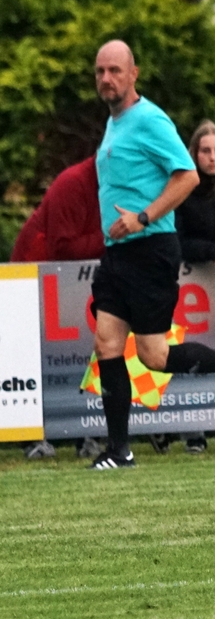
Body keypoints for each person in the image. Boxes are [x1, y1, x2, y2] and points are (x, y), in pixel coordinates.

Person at [87, 40, 215, 470]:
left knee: (153, 356)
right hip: (117, 252)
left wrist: (143, 217)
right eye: (100, 71)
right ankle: (119, 451)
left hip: (149, 249)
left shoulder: (150, 119)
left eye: (115, 70)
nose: (106, 79)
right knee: (107, 342)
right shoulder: (114, 123)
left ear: (133, 74)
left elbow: (187, 176)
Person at [148, 121, 215, 455]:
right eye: (206, 151)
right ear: (194, 153)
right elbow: (177, 238)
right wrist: (213, 252)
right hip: (186, 282)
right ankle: (178, 429)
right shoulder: (181, 185)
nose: (212, 157)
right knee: (179, 356)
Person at [11, 156, 104, 461]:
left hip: (74, 281)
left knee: (89, 352)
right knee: (31, 360)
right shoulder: (73, 182)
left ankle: (86, 432)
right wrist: (113, 236)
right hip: (37, 276)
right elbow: (63, 246)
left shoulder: (113, 183)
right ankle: (31, 436)